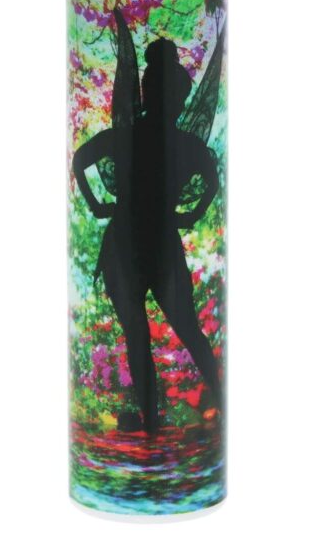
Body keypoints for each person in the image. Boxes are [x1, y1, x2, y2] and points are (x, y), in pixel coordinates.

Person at [73, 37, 222, 433]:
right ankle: (161, 420)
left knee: (150, 334)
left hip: (137, 244)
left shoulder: (138, 137)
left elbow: (81, 160)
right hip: (139, 245)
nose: (177, 104)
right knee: (167, 331)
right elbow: (211, 180)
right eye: (175, 97)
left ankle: (163, 420)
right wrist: (192, 214)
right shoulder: (178, 144)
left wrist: (97, 204)